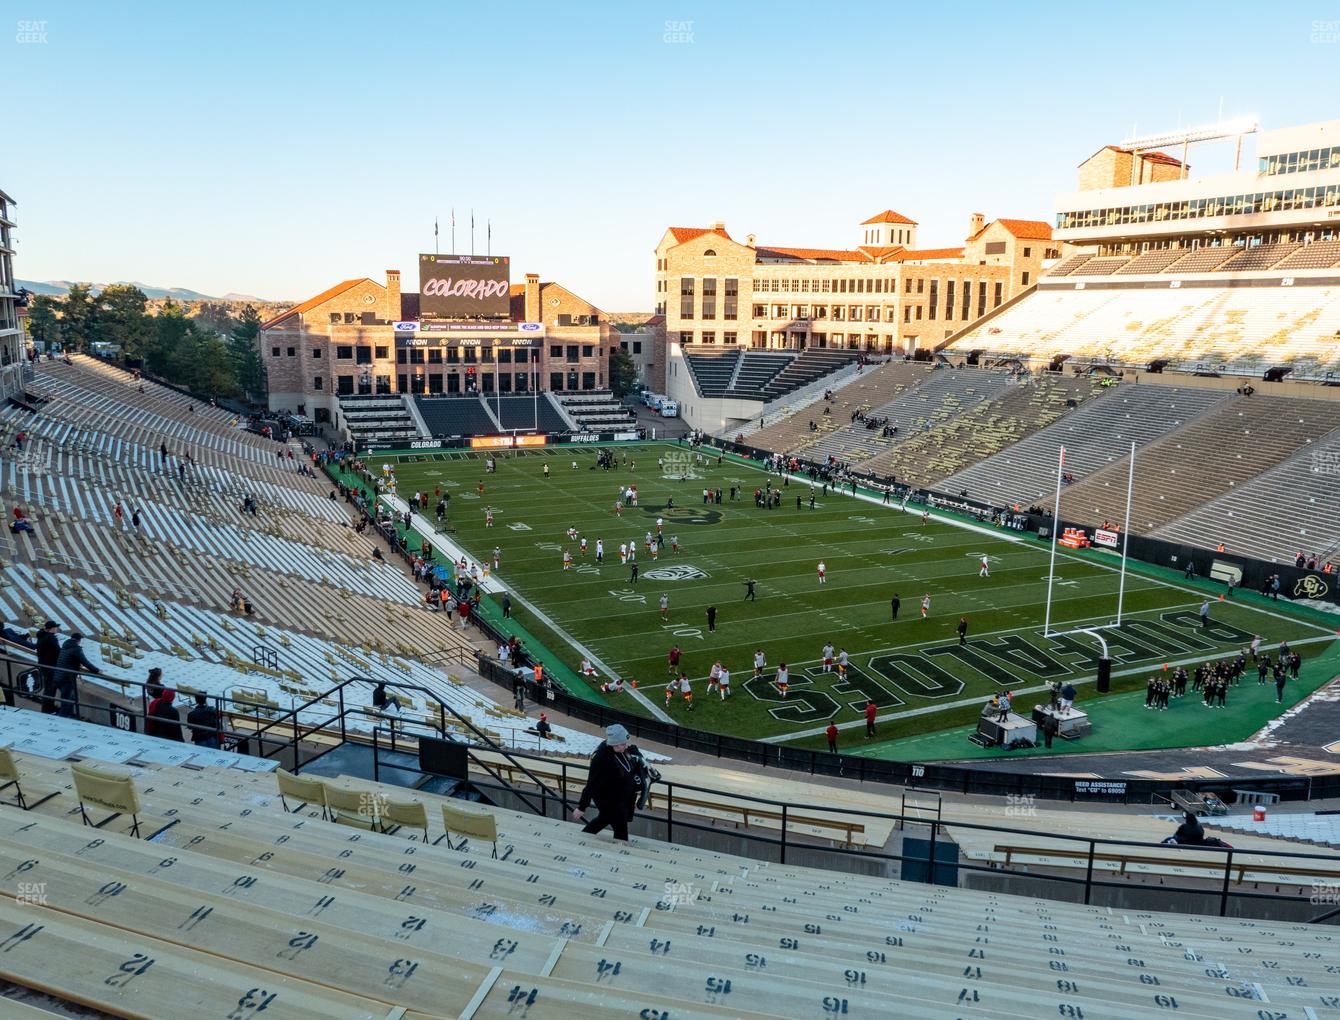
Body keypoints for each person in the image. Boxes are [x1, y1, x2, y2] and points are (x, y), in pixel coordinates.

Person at [571, 724, 644, 841]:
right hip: (607, 798)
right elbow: (591, 784)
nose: (625, 746)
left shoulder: (622, 750)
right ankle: (621, 850)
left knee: (604, 819)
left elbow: (630, 769)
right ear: (613, 743)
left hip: (621, 796)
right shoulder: (601, 758)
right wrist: (582, 807)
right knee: (620, 826)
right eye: (622, 744)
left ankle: (583, 837)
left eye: (626, 743)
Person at [54, 632, 99, 719]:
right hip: (67, 677)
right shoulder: (76, 649)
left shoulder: (65, 645)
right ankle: (62, 718)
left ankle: (70, 715)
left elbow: (70, 659)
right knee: (66, 700)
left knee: (71, 697)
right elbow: (86, 663)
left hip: (58, 675)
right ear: (78, 640)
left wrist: (77, 663)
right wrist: (97, 670)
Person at [35, 620, 62, 713]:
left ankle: (48, 707)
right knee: (50, 689)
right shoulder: (51, 638)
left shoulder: (41, 636)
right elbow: (58, 651)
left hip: (43, 665)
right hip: (50, 666)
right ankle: (47, 709)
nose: (57, 629)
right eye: (55, 627)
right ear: (51, 629)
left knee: (49, 688)